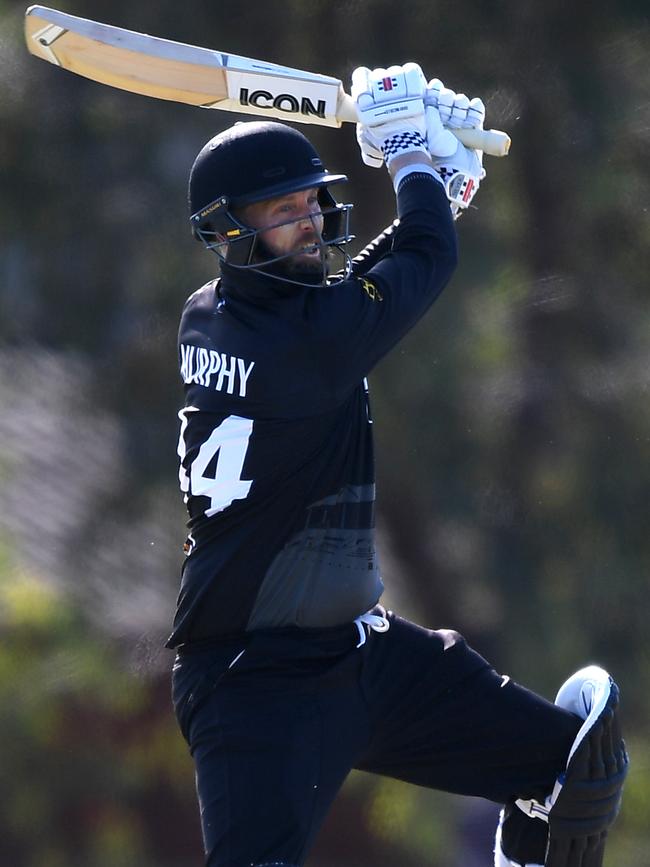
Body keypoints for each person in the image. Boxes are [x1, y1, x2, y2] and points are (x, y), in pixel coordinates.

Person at [168, 63, 627, 867]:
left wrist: (437, 188)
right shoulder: (306, 342)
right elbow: (414, 269)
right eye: (285, 212)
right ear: (230, 231)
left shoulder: (218, 314)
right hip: (255, 684)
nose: (310, 221)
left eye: (312, 202)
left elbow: (365, 294)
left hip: (360, 656)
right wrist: (414, 159)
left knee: (575, 772)